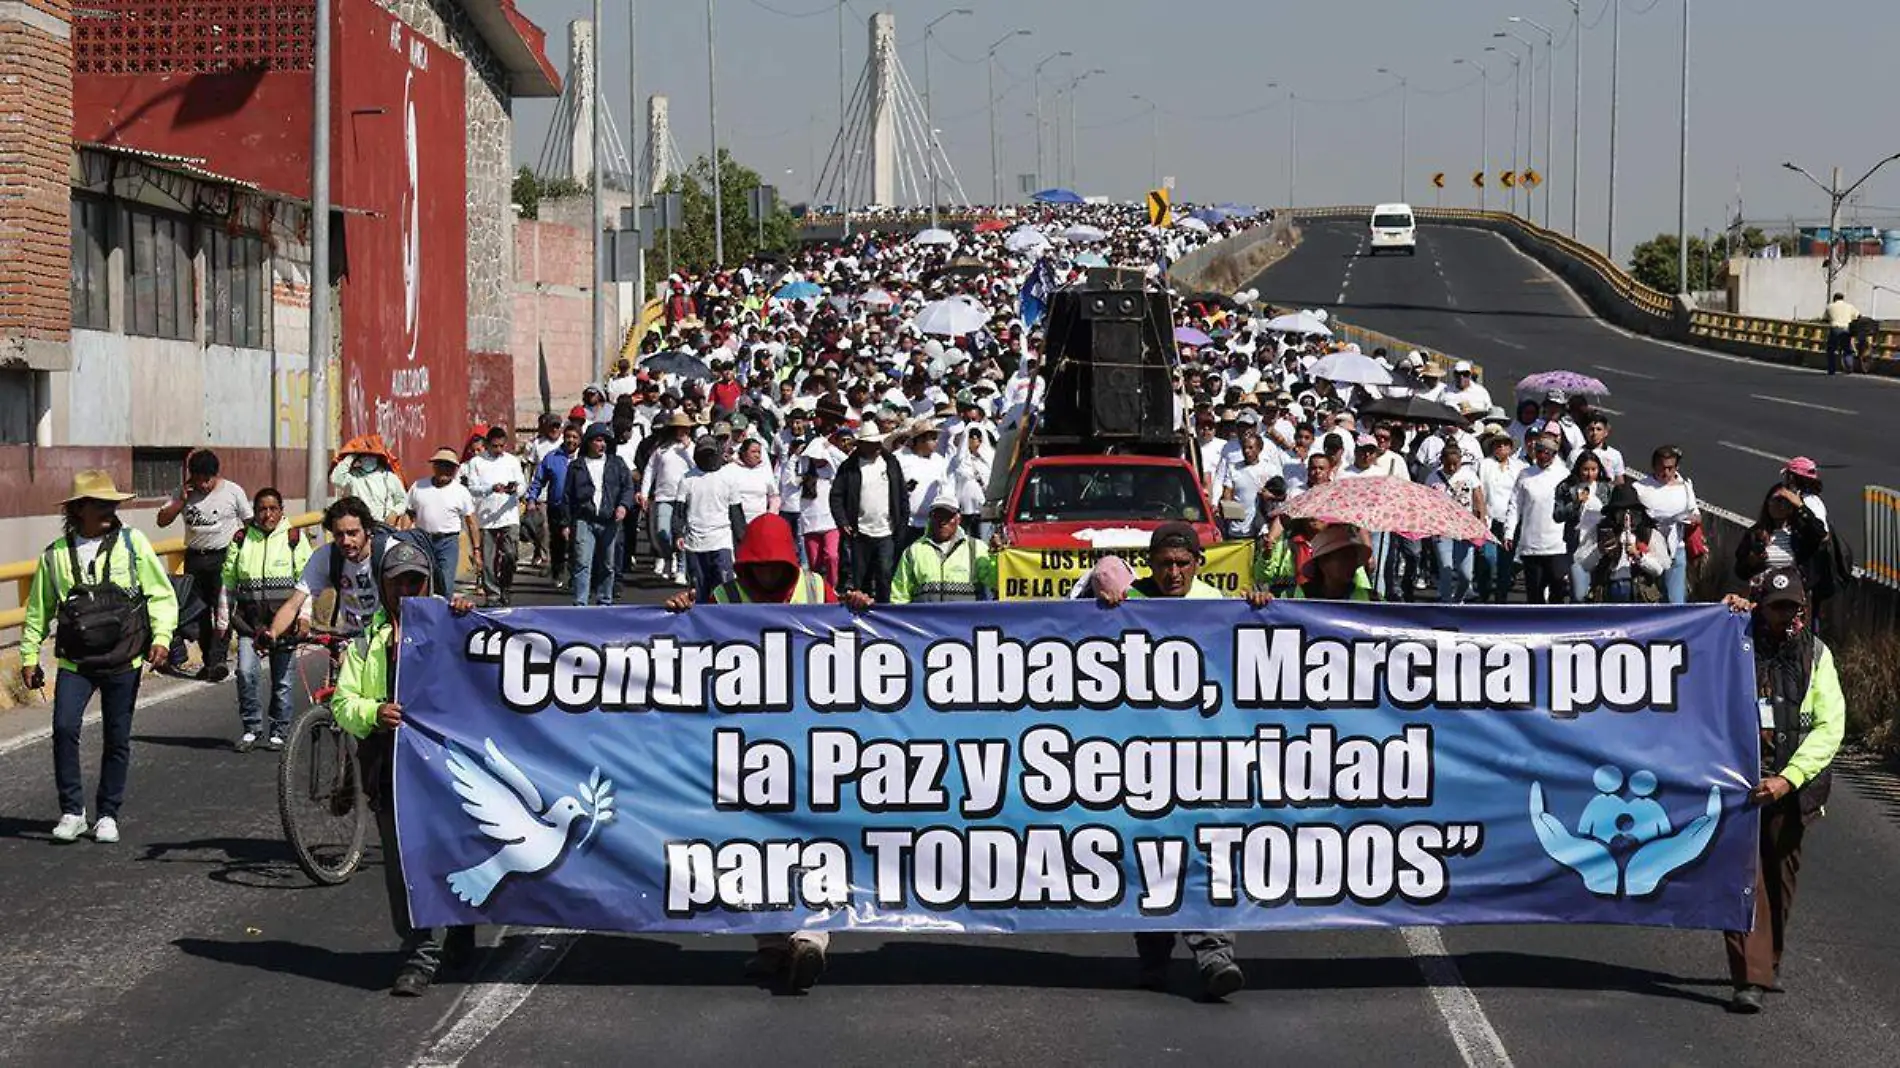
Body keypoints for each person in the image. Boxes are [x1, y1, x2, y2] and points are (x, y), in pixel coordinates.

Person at [662, 513, 870, 992]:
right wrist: (677, 611)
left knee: (816, 836)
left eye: (778, 566)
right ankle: (770, 945)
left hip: (813, 735)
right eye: (761, 566)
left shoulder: (818, 590)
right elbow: (688, 649)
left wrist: (858, 607)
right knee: (751, 841)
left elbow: (862, 646)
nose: (770, 575)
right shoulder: (723, 598)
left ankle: (810, 939)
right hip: (748, 740)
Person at [1093, 522, 1266, 1000]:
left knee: (1207, 853)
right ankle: (1153, 956)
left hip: (1202, 756)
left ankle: (1214, 953)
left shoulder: (1219, 605)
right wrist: (1101, 607)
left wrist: (1261, 612)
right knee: (1150, 856)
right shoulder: (1129, 601)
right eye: (1165, 564)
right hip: (1140, 755)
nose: (1173, 572)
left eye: (1182, 563)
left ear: (1198, 563)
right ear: (1150, 564)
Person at [331, 540, 477, 998]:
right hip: (392, 770)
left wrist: (467, 619)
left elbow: (492, 663)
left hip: (450, 768)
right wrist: (374, 713)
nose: (408, 589)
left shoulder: (453, 625)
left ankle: (460, 930)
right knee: (405, 866)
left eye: (416, 580)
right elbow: (343, 702)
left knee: (456, 853)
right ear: (385, 586)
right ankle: (419, 953)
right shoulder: (366, 641)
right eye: (399, 582)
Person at [21, 471, 179, 843]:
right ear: (78, 510)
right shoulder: (55, 555)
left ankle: (108, 813)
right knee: (63, 729)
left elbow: (160, 593)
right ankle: (72, 811)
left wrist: (161, 638)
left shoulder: (133, 543)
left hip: (125, 658)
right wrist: (30, 656)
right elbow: (38, 611)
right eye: (100, 503)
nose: (110, 510)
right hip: (77, 662)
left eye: (112, 503)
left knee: (117, 736)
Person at [1719, 567, 1844, 1014]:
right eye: (1775, 606)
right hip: (1740, 785)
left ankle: (1767, 962)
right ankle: (1748, 977)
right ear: (1760, 605)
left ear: (1803, 608)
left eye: (1791, 606)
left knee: (1780, 879)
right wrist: (1725, 613)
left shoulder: (1817, 655)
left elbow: (1830, 728)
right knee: (1742, 879)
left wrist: (1787, 779)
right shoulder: (1734, 640)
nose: (1783, 615)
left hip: (1792, 789)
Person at [216, 487, 312, 751]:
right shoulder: (241, 539)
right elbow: (228, 581)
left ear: (282, 511)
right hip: (250, 623)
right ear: (254, 512)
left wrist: (304, 618)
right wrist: (223, 621)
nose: (267, 514)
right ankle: (252, 728)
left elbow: (307, 584)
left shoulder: (295, 538)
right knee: (246, 673)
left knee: (282, 680)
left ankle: (279, 730)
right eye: (261, 509)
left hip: (285, 625)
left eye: (273, 509)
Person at [156, 448, 249, 682]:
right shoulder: (183, 493)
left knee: (222, 611)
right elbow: (162, 521)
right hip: (195, 558)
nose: (204, 485)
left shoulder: (232, 491)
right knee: (197, 613)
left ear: (215, 475)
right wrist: (181, 502)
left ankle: (218, 659)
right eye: (199, 480)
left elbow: (249, 521)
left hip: (223, 557)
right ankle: (209, 661)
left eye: (208, 480)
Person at [262, 496, 382, 644]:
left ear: (367, 530)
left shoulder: (385, 552)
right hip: (351, 639)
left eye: (352, 533)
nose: (345, 541)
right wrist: (272, 633)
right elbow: (294, 604)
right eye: (338, 534)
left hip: (384, 638)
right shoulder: (327, 555)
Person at [831, 423, 906, 602]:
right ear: (861, 445)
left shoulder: (891, 463)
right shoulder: (849, 467)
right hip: (860, 532)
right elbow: (836, 496)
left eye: (877, 443)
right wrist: (842, 522)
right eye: (871, 444)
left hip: (886, 531)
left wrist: (901, 523)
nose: (876, 447)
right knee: (859, 578)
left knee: (885, 576)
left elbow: (902, 494)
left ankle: (884, 613)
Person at [563, 423, 636, 607]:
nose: (601, 444)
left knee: (608, 564)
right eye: (597, 440)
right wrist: (565, 523)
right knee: (582, 562)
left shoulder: (616, 463)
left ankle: (605, 600)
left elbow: (628, 487)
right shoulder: (576, 466)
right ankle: (580, 603)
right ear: (589, 442)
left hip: (609, 520)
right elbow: (567, 496)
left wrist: (623, 506)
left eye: (604, 440)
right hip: (584, 520)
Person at [890, 492, 998, 603]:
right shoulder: (913, 551)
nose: (942, 522)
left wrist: (996, 555)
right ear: (930, 518)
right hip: (924, 620)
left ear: (958, 519)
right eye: (938, 516)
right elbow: (899, 595)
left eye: (948, 517)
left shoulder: (976, 548)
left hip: (965, 620)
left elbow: (995, 582)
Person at [462, 426, 526, 607]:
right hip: (485, 518)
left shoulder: (512, 461)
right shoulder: (476, 463)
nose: (498, 450)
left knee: (511, 555)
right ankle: (492, 594)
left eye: (501, 446)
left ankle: (505, 586)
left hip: (508, 515)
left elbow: (523, 484)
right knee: (488, 560)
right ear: (487, 444)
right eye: (495, 446)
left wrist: (515, 489)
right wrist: (491, 488)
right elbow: (472, 488)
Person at [1573, 484, 1670, 602]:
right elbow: (1585, 565)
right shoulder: (1600, 531)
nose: (1626, 515)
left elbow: (1659, 570)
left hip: (1639, 592)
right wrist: (1599, 550)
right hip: (1607, 590)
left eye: (1631, 511)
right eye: (1621, 511)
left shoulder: (1647, 533)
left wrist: (1639, 556)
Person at [1504, 434, 1571, 604]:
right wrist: (1509, 533)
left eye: (1547, 453)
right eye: (1539, 452)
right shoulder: (1525, 475)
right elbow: (1515, 505)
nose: (1542, 456)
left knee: (1558, 589)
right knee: (1535, 593)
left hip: (1557, 544)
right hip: (1531, 545)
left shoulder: (1564, 475)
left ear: (1554, 455)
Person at [406, 448, 480, 598]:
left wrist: (476, 550)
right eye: (441, 465)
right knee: (421, 583)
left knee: (445, 585)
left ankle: (442, 618)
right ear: (434, 466)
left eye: (449, 466)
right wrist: (403, 537)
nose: (445, 470)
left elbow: (471, 522)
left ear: (454, 470)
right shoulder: (418, 487)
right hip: (422, 541)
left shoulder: (461, 492)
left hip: (448, 543)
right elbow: (409, 513)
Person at [1633, 445, 1702, 605]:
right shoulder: (1640, 488)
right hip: (1650, 549)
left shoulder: (1685, 487)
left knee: (1675, 601)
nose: (1666, 472)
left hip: (1676, 548)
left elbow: (1696, 515)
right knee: (1648, 598)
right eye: (1662, 467)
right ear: (1654, 466)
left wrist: (1688, 518)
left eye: (1670, 468)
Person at [675, 442, 741, 603]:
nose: (709, 459)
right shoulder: (687, 479)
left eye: (711, 454)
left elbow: (736, 514)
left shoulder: (728, 478)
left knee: (726, 591)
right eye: (704, 455)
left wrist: (741, 542)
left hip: (721, 542)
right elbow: (679, 510)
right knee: (698, 594)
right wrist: (677, 533)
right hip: (695, 544)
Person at [1735, 483, 1829, 593]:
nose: (1779, 506)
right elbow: (1740, 572)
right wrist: (1752, 561)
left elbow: (1820, 534)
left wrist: (1801, 506)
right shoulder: (1755, 533)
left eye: (1785, 501)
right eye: (1775, 500)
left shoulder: (1800, 532)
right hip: (1764, 594)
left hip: (1795, 594)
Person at [1424, 443, 1485, 604]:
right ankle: (1446, 601)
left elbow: (1479, 501)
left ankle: (1458, 600)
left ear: (1460, 461)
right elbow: (1425, 503)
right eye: (1448, 464)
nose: (1451, 468)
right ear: (1441, 460)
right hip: (1442, 529)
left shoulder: (1470, 475)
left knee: (1466, 575)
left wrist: (1481, 524)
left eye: (1455, 464)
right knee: (1446, 568)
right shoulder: (1433, 477)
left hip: (1465, 529)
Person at [640, 412, 694, 583]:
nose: (681, 432)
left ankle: (681, 568)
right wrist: (644, 492)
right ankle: (668, 556)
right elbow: (650, 470)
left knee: (682, 534)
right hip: (663, 495)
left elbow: (697, 467)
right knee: (662, 532)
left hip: (684, 497)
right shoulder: (661, 449)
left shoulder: (692, 448)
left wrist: (687, 449)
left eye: (684, 428)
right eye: (678, 428)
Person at [1553, 451, 1615, 602]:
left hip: (1599, 545)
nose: (1589, 474)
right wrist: (1575, 503)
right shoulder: (1567, 487)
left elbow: (1614, 513)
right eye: (1585, 470)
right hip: (1576, 547)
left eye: (1593, 470)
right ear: (1578, 469)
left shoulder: (1606, 488)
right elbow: (1558, 515)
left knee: (1600, 593)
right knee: (1579, 594)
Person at [528, 424, 581, 589]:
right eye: (568, 436)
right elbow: (538, 480)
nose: (571, 440)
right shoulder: (552, 457)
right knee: (558, 543)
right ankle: (558, 572)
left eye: (575, 437)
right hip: (556, 507)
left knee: (578, 543)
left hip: (579, 508)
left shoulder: (585, 458)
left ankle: (577, 576)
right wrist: (531, 499)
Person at [1476, 433, 1527, 603]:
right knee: (1487, 559)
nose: (1502, 447)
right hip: (1490, 519)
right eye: (1498, 444)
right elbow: (1480, 490)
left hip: (1510, 520)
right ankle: (1483, 593)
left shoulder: (1520, 467)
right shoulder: (1485, 465)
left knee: (1505, 564)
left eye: (1506, 444)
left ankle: (1501, 599)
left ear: (1511, 448)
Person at [330, 436, 409, 524]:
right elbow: (336, 479)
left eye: (371, 455)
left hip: (383, 526)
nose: (368, 458)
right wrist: (352, 456)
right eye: (364, 455)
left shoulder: (389, 477)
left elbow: (403, 501)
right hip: (360, 526)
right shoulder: (352, 477)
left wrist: (394, 513)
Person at [1292, 524, 1376, 601]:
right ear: (1323, 562)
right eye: (1343, 557)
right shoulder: (1297, 597)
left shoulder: (1372, 600)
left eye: (1353, 557)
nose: (1350, 564)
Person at [1822, 291, 1858, 375]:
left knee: (1831, 349)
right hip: (1846, 329)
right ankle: (1849, 366)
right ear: (1843, 298)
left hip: (1835, 329)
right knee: (1847, 349)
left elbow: (1824, 319)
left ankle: (1831, 370)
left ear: (1834, 299)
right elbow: (1857, 316)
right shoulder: (1849, 306)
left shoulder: (1830, 307)